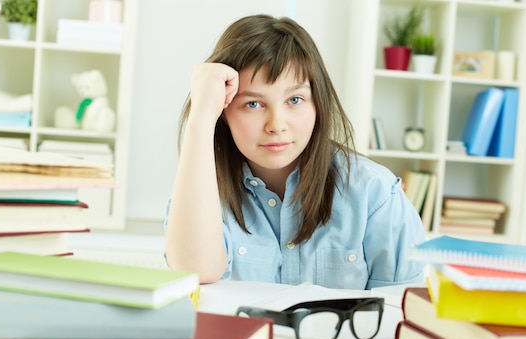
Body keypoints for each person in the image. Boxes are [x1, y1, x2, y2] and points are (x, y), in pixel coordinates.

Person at [165, 14, 425, 290]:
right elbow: (194, 272)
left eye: (295, 100)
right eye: (253, 104)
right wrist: (201, 117)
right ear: (224, 113)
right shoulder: (202, 192)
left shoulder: (376, 193)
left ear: (318, 105)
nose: (277, 125)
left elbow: (401, 309)